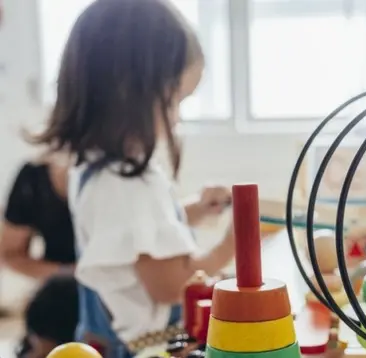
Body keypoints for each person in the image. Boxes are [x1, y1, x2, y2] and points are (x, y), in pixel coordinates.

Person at [30, 0, 236, 357]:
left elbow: (132, 240)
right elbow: (172, 284)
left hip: (108, 339)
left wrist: (196, 210)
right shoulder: (129, 183)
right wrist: (233, 243)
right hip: (150, 349)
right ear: (129, 91)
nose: (176, 120)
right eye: (174, 100)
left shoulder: (95, 168)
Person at [0, 154, 78, 358]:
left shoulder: (130, 177)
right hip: (57, 301)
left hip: (117, 301)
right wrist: (69, 274)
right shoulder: (34, 177)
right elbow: (10, 254)